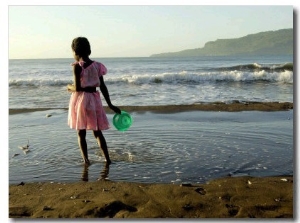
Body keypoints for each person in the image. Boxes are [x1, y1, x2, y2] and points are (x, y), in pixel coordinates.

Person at [67, 37, 121, 166]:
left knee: (81, 132)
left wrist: (69, 87)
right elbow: (102, 86)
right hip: (94, 99)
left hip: (81, 100)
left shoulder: (77, 67)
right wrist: (110, 104)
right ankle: (107, 159)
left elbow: (78, 87)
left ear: (76, 52)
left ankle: (86, 160)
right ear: (89, 50)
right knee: (97, 132)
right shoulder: (97, 66)